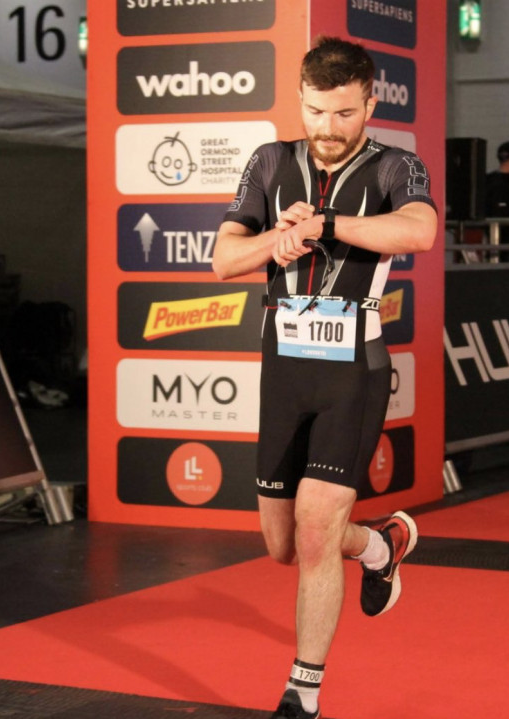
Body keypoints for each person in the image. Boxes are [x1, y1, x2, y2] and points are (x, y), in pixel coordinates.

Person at [213, 36, 438, 719]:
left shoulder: (398, 165)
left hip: (355, 366)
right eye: (316, 111)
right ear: (301, 100)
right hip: (284, 361)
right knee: (283, 543)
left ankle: (302, 694)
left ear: (370, 103)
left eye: (343, 113)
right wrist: (275, 241)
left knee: (315, 531)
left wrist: (329, 224)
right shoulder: (269, 161)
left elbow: (420, 232)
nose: (327, 128)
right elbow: (224, 259)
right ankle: (379, 544)